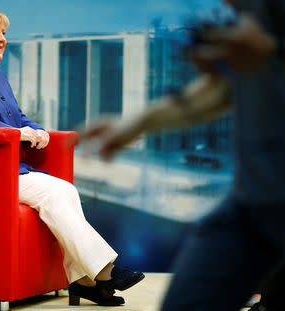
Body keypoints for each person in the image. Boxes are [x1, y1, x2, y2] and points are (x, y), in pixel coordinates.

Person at [0, 5, 144, 307]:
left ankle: (83, 282)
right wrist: (19, 134)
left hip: (6, 166)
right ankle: (105, 272)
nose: (2, 39)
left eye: (4, 32)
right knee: (53, 193)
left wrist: (37, 129)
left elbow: (16, 116)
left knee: (65, 190)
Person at [80, 0, 285, 310]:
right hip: (252, 202)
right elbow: (222, 87)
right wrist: (135, 123)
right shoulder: (252, 14)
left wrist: (270, 54)